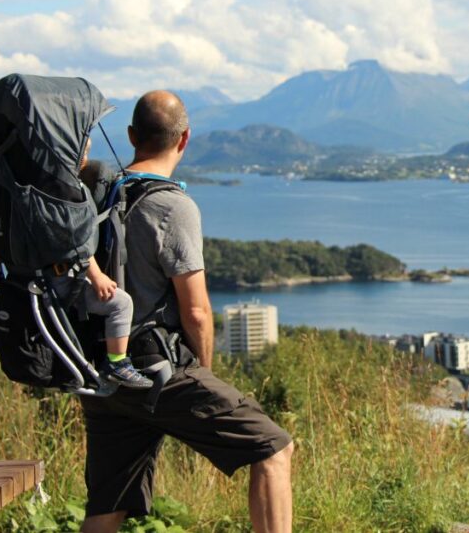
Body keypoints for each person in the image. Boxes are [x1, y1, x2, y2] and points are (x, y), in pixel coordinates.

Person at [79, 91, 294, 533]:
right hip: (158, 370)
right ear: (185, 139)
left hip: (104, 371)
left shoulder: (101, 193)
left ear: (132, 136)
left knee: (108, 504)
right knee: (273, 448)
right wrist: (205, 372)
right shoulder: (173, 206)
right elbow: (196, 309)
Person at [52, 137, 153, 389]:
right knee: (121, 303)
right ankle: (117, 363)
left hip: (42, 280)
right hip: (64, 282)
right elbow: (77, 243)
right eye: (84, 151)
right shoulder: (71, 193)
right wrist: (97, 277)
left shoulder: (44, 189)